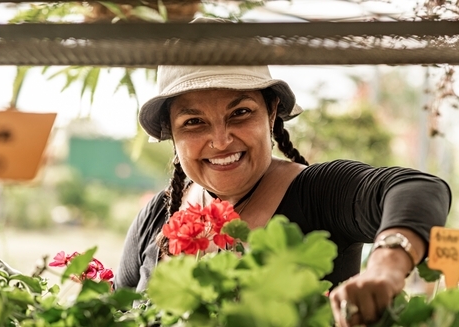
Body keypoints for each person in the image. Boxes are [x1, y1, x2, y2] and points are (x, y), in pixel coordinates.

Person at [115, 65, 451, 326]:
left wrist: (386, 266)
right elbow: (114, 311)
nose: (220, 141)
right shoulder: (158, 216)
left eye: (240, 113)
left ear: (271, 112)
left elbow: (418, 188)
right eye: (193, 122)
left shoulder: (318, 192)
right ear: (172, 134)